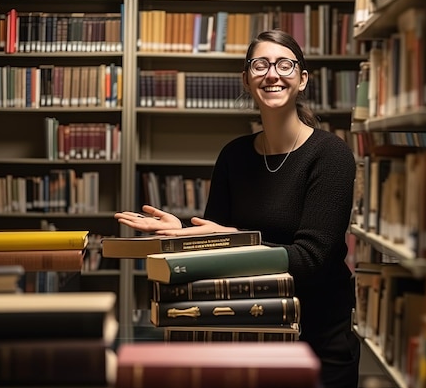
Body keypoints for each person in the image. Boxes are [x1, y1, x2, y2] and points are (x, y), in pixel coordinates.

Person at [115, 29, 360, 388]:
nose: (272, 74)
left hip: (317, 337)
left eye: (285, 65)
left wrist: (233, 239)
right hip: (248, 329)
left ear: (302, 79)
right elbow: (218, 253)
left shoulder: (331, 155)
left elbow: (312, 259)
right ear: (246, 79)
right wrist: (184, 234)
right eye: (260, 65)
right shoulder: (234, 155)